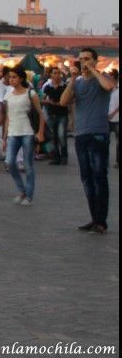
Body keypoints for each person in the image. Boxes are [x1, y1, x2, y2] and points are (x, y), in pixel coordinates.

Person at [59, 48, 113, 234]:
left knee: (99, 177)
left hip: (98, 134)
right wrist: (73, 79)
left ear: (96, 61)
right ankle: (94, 219)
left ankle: (101, 221)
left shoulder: (103, 78)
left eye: (88, 59)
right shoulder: (78, 83)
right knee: (87, 179)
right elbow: (63, 102)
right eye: (81, 59)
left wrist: (94, 71)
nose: (84, 62)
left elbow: (108, 87)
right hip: (81, 135)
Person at [2, 65, 46, 205]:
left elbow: (41, 114)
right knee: (9, 162)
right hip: (13, 133)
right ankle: (21, 190)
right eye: (9, 77)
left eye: (14, 77)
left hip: (27, 132)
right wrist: (4, 137)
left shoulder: (30, 93)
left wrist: (40, 132)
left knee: (28, 165)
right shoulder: (8, 95)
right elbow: (8, 117)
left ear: (21, 78)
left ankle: (29, 195)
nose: (11, 79)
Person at [41, 67, 70, 165]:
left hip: (62, 114)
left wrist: (64, 103)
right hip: (51, 113)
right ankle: (56, 157)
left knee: (62, 135)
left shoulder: (65, 86)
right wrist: (49, 101)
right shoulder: (47, 86)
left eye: (59, 73)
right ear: (51, 75)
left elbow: (70, 99)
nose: (57, 75)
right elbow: (42, 99)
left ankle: (64, 156)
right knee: (54, 136)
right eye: (55, 73)